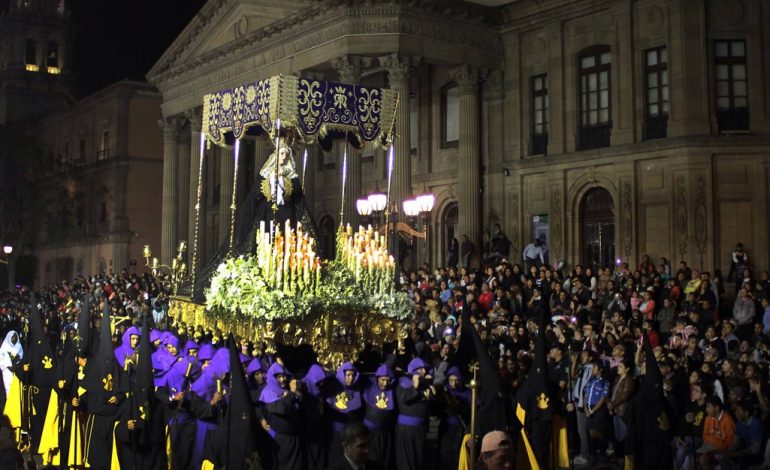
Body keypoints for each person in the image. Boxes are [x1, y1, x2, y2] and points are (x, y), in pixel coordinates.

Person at [697, 396, 736, 470]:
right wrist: (709, 446)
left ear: (717, 408)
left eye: (709, 407)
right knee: (700, 458)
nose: (706, 409)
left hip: (722, 451)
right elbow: (705, 435)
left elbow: (731, 442)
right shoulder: (708, 418)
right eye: (706, 407)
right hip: (710, 449)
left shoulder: (727, 420)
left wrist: (718, 447)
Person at [0, 331, 22, 397]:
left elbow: (22, 357)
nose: (14, 339)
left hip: (17, 371)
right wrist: (9, 366)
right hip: (7, 371)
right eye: (13, 337)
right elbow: (1, 359)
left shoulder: (19, 346)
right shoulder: (4, 346)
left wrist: (17, 364)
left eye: (15, 337)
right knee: (8, 389)